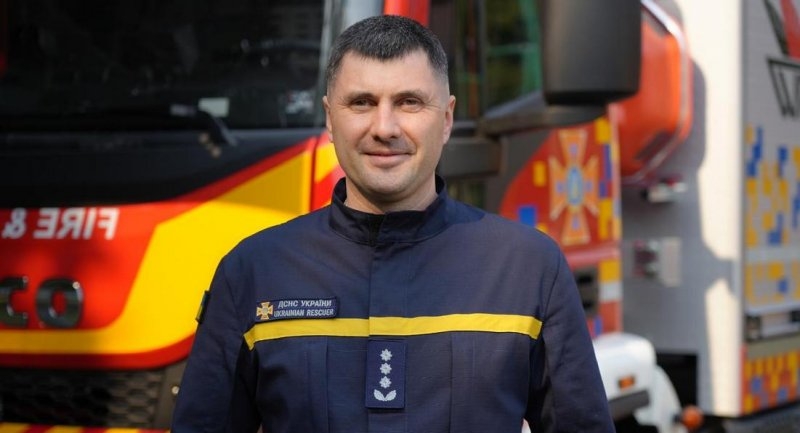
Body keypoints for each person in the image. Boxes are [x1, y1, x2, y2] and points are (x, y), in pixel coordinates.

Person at [171, 14, 614, 433]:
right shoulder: (253, 273)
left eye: (409, 102)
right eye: (362, 103)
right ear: (330, 118)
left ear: (446, 119)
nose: (384, 128)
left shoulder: (528, 268)